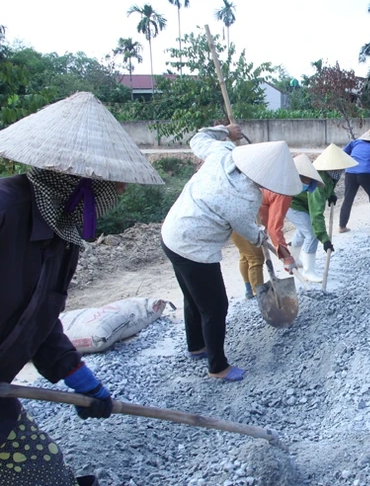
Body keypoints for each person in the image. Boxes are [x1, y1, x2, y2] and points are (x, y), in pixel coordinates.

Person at [0, 92, 165, 486]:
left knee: (44, 472)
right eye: (115, 188)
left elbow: (37, 318)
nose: (119, 196)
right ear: (80, 183)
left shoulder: (62, 235)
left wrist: (76, 374)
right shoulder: (4, 210)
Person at [162, 124, 301, 382]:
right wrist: (265, 238)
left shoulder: (222, 152)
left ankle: (196, 346)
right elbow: (248, 230)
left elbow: (198, 137)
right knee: (215, 307)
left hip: (171, 234)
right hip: (195, 248)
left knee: (193, 298)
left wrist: (224, 131)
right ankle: (218, 367)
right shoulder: (246, 196)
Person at [287, 144, 358, 282]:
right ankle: (308, 271)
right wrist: (325, 239)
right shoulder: (318, 179)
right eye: (339, 167)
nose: (342, 170)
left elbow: (330, 185)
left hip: (305, 203)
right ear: (330, 166)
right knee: (311, 233)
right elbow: (316, 215)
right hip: (293, 204)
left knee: (303, 231)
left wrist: (331, 194)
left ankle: (294, 258)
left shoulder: (333, 175)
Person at [260, 154, 323, 273]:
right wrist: (287, 258)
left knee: (254, 255)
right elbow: (275, 228)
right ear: (297, 177)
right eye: (306, 180)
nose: (307, 184)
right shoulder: (284, 192)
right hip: (251, 214)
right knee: (255, 257)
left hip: (256, 213)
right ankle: (252, 290)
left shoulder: (280, 181)